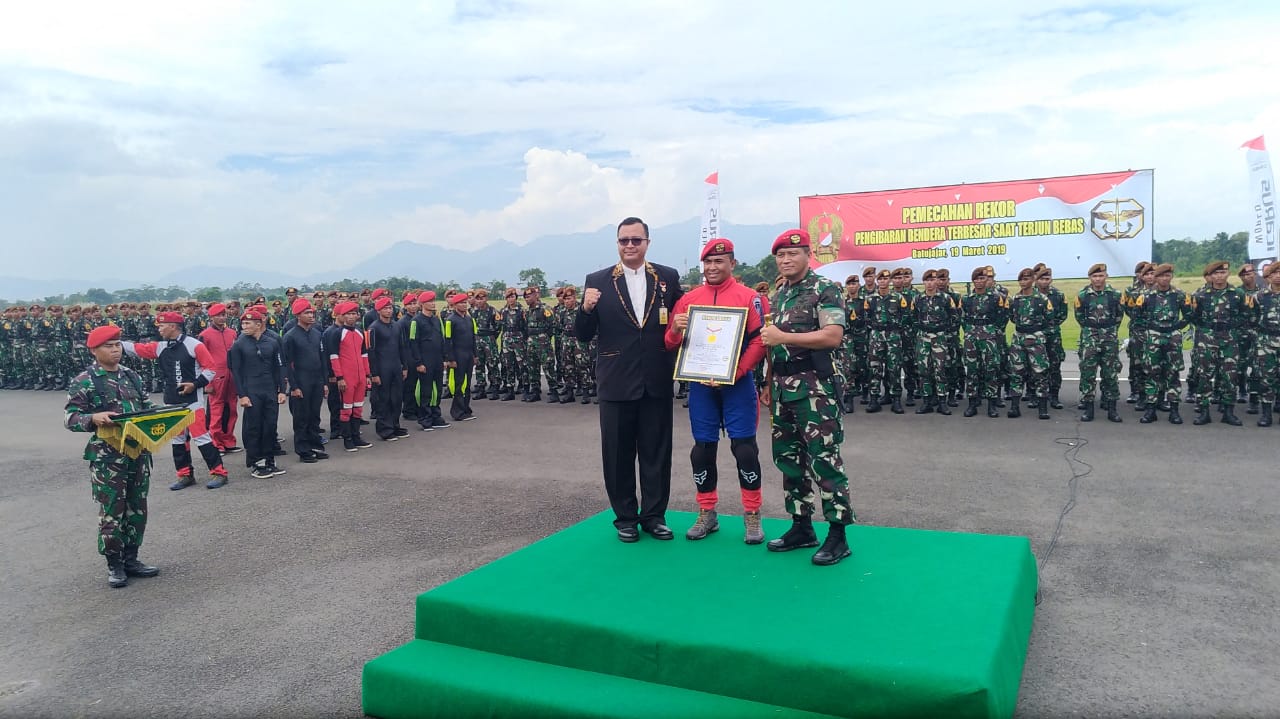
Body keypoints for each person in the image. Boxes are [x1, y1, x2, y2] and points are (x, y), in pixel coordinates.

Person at [575, 216, 684, 543]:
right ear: (617, 244)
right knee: (618, 453)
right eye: (624, 240)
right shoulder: (597, 280)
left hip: (656, 378)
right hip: (616, 381)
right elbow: (582, 335)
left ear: (647, 243)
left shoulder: (666, 277)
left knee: (656, 451)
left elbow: (679, 320)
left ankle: (654, 516)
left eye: (636, 240)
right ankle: (625, 517)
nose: (630, 246)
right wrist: (585, 309)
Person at [760, 229, 854, 566]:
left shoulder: (824, 289)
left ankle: (838, 534)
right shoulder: (780, 293)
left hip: (815, 388)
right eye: (780, 255)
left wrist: (783, 335)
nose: (786, 260)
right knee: (788, 459)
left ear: (807, 255)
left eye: (792, 254)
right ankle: (801, 525)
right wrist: (768, 381)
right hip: (785, 386)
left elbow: (832, 336)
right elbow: (771, 343)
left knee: (824, 458)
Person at [664, 239, 767, 544]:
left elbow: (760, 341)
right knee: (702, 450)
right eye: (708, 262)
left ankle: (752, 514)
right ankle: (707, 513)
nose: (712, 268)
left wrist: (735, 372)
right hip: (701, 388)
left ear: (732, 264)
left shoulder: (749, 297)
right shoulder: (688, 300)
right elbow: (670, 343)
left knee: (745, 450)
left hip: (737, 385)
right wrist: (675, 330)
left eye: (719, 262)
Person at [64, 325, 162, 588]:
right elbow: (70, 417)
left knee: (137, 508)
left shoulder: (131, 375)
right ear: (94, 350)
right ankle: (114, 564)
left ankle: (132, 558)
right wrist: (93, 418)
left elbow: (146, 406)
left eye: (118, 345)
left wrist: (161, 416)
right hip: (108, 458)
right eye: (109, 346)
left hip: (137, 453)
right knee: (112, 511)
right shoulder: (84, 380)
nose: (116, 350)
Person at [121, 311, 229, 489]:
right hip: (171, 401)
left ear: (173, 326)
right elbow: (137, 349)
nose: (159, 328)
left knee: (201, 437)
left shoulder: (194, 345)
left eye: (162, 325)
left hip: (193, 402)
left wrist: (194, 385)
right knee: (177, 440)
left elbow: (210, 369)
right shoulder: (161, 346)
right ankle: (184, 475)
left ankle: (219, 473)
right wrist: (115, 342)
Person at [228, 309, 287, 478]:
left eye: (248, 323)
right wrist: (242, 395)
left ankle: (269, 459)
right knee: (254, 427)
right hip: (251, 390)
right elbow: (236, 372)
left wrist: (282, 390)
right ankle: (256, 461)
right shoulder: (239, 344)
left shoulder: (272, 342)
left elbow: (279, 367)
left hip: (269, 389)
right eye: (243, 323)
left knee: (270, 426)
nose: (244, 326)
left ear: (259, 324)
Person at [1191, 261, 1250, 426]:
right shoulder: (1201, 295)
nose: (1219, 276)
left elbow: (1246, 315)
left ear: (1228, 274)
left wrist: (1232, 329)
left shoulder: (1237, 294)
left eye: (1222, 273)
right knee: (1204, 375)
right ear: (1210, 275)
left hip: (1229, 339)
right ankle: (1204, 412)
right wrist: (1207, 330)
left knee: (1230, 376)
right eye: (1215, 273)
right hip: (1206, 339)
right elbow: (1194, 316)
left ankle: (1229, 412)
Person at [1133, 263, 1192, 425]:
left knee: (1173, 374)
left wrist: (1176, 328)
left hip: (1172, 338)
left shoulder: (1179, 295)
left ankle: (1174, 410)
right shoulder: (1145, 296)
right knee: (1152, 373)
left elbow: (1188, 315)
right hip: (1153, 338)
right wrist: (1147, 333)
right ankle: (1150, 409)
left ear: (1171, 277)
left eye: (1167, 276)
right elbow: (1136, 317)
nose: (1164, 279)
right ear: (1156, 278)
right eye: (1161, 276)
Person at [1074, 264, 1126, 423]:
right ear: (1090, 278)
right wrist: (1093, 330)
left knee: (1110, 373)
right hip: (1090, 337)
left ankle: (1112, 409)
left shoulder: (1115, 295)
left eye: (1101, 276)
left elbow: (1119, 316)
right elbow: (1080, 317)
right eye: (1094, 276)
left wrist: (1108, 330)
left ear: (1106, 276)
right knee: (1088, 373)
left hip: (1109, 338)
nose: (1098, 279)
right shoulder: (1083, 296)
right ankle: (1089, 409)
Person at [281, 299, 329, 462]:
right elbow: (287, 364)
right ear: (298, 315)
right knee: (301, 418)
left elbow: (322, 359)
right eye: (307, 313)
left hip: (316, 380)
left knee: (314, 416)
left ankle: (315, 446)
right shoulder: (290, 336)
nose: (311, 315)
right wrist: (294, 387)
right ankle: (303, 450)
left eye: (312, 312)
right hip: (301, 381)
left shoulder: (317, 333)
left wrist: (324, 382)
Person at [324, 301, 374, 450]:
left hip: (360, 377)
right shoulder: (336, 333)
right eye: (348, 314)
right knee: (346, 409)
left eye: (354, 314)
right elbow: (334, 356)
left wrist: (367, 374)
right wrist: (339, 377)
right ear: (343, 316)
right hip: (346, 377)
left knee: (358, 407)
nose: (352, 316)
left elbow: (364, 355)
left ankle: (356, 437)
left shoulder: (360, 332)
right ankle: (347, 440)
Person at [1006, 267, 1054, 419]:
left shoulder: (1042, 299)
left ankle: (1042, 408)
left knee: (1040, 372)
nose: (1023, 282)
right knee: (1016, 372)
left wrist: (1038, 333)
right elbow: (1013, 318)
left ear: (1032, 280)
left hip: (1036, 338)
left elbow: (1050, 319)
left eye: (1026, 279)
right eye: (1020, 279)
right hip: (1019, 337)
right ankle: (1014, 407)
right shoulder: (1016, 299)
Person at [911, 269, 959, 415]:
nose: (930, 283)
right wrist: (922, 328)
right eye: (927, 280)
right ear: (924, 282)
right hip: (923, 338)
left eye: (933, 280)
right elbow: (912, 318)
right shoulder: (917, 299)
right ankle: (926, 402)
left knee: (940, 370)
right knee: (924, 370)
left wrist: (942, 329)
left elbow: (954, 317)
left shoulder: (945, 298)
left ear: (937, 281)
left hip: (939, 338)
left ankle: (942, 402)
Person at [198, 303, 241, 454]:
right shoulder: (205, 335)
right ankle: (216, 442)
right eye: (218, 315)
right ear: (211, 317)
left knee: (232, 409)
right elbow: (201, 360)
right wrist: (206, 382)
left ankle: (229, 440)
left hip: (231, 374)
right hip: (215, 376)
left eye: (223, 315)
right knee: (216, 410)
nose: (222, 318)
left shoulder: (232, 333)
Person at [863, 269, 908, 414]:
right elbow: (866, 317)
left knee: (894, 368)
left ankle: (896, 400)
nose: (883, 281)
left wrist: (895, 330)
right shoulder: (870, 299)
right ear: (877, 280)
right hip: (876, 336)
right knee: (875, 368)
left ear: (889, 281)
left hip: (893, 336)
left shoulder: (898, 297)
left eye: (886, 279)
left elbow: (904, 317)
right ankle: (874, 399)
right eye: (880, 279)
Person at [408, 291, 450, 430]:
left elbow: (442, 339)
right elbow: (413, 343)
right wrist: (418, 363)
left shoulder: (437, 320)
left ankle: (435, 416)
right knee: (425, 391)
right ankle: (425, 418)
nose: (433, 303)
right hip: (425, 361)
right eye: (430, 301)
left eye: (434, 300)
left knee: (437, 390)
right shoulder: (416, 321)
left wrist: (444, 359)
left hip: (437, 360)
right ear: (422, 304)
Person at [1251, 263, 1280, 426]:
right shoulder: (1259, 296)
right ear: (1268, 276)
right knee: (1266, 379)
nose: (1278, 276)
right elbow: (1252, 318)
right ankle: (1266, 414)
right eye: (1274, 273)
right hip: (1266, 343)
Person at [443, 292, 478, 421]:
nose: (464, 305)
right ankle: (457, 411)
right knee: (458, 384)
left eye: (465, 302)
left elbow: (474, 338)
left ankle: (465, 408)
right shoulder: (450, 320)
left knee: (467, 384)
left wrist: (475, 355)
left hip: (468, 354)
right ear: (455, 305)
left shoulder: (469, 319)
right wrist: (450, 359)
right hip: (457, 355)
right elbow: (448, 340)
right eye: (461, 303)